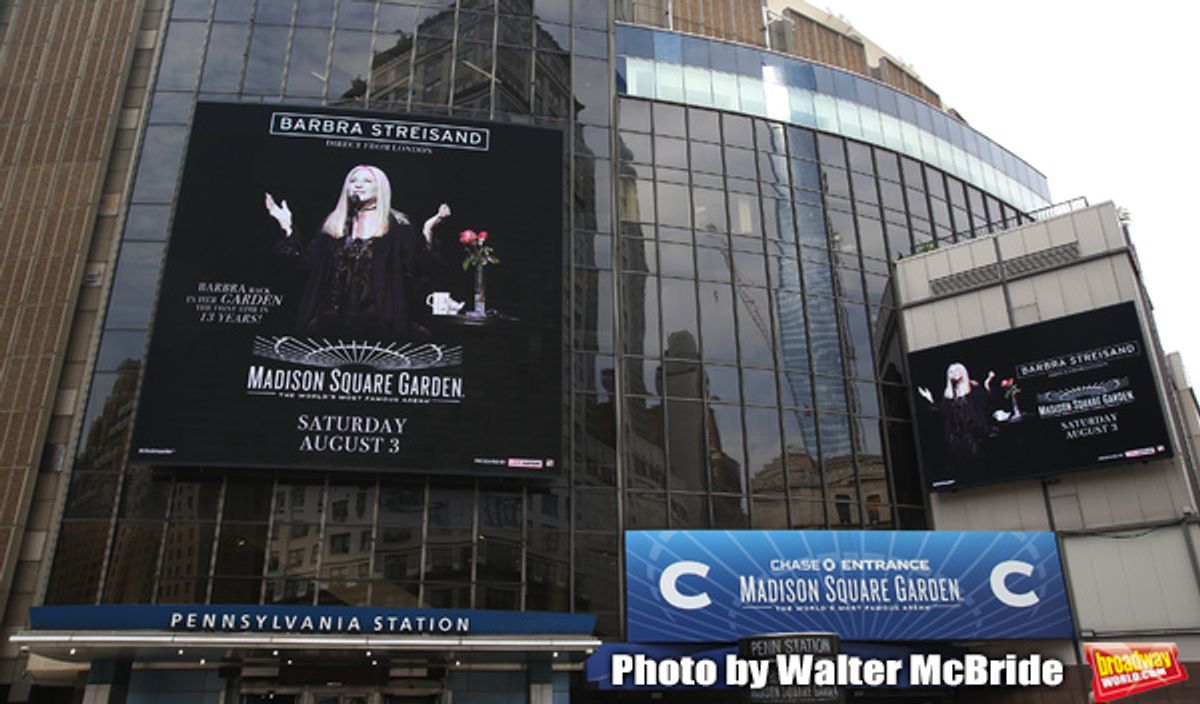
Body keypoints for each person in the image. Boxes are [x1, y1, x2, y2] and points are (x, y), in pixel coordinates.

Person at [264, 165, 450, 340]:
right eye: (353, 181)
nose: (358, 185)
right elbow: (307, 266)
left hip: (380, 322)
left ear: (380, 188)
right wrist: (286, 226)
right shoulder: (333, 223)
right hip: (330, 321)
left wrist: (428, 231)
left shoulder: (398, 225)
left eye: (367, 181)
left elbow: (418, 269)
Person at [917, 363, 996, 479]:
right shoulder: (948, 395)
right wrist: (930, 400)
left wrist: (987, 384)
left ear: (963, 372)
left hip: (976, 437)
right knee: (961, 470)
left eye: (957, 370)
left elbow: (987, 404)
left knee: (978, 469)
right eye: (951, 372)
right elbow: (942, 415)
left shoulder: (974, 389)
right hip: (956, 441)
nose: (954, 374)